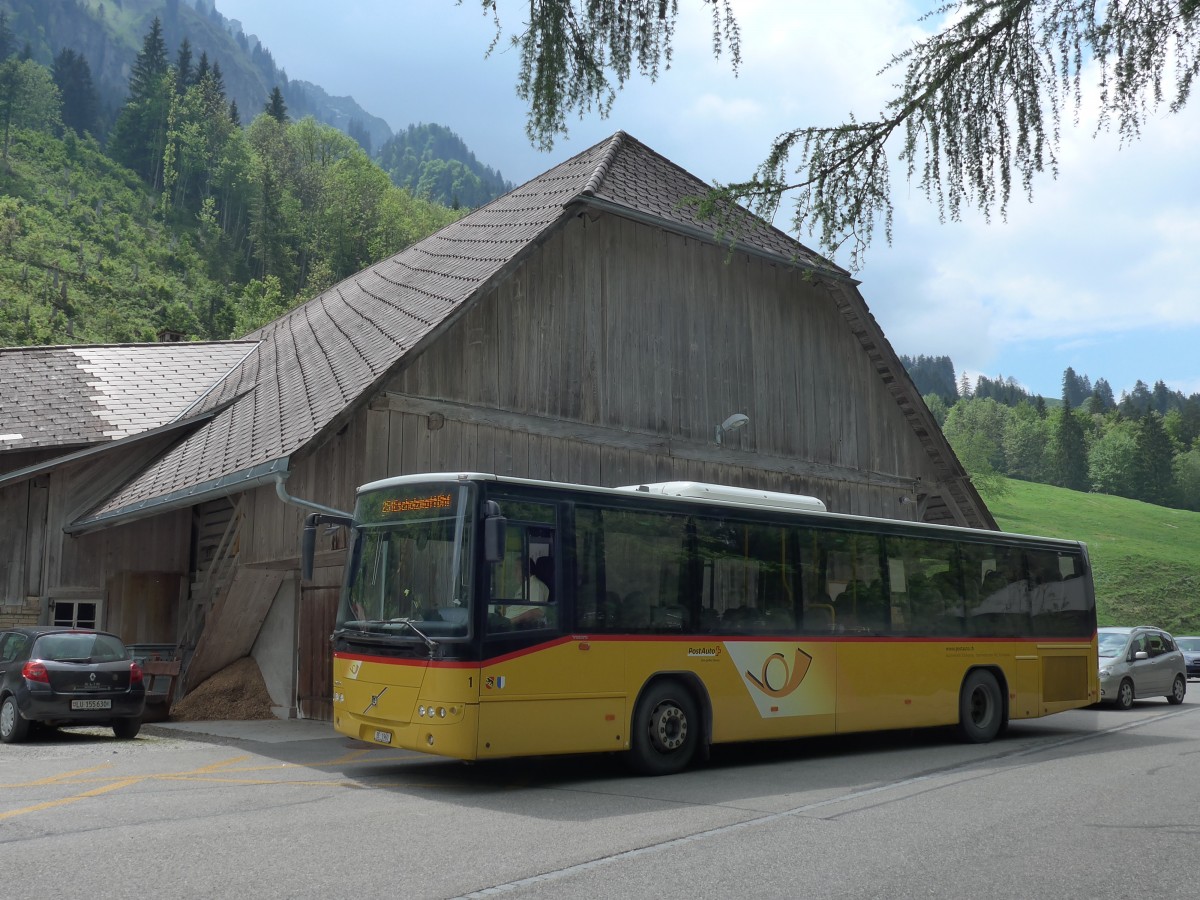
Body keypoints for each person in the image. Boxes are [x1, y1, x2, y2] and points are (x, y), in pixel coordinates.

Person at [507, 556, 552, 626]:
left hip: (519, 628)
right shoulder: (524, 586)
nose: (514, 573)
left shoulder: (535, 585)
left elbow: (536, 612)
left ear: (526, 570)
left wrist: (510, 622)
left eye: (516, 569)